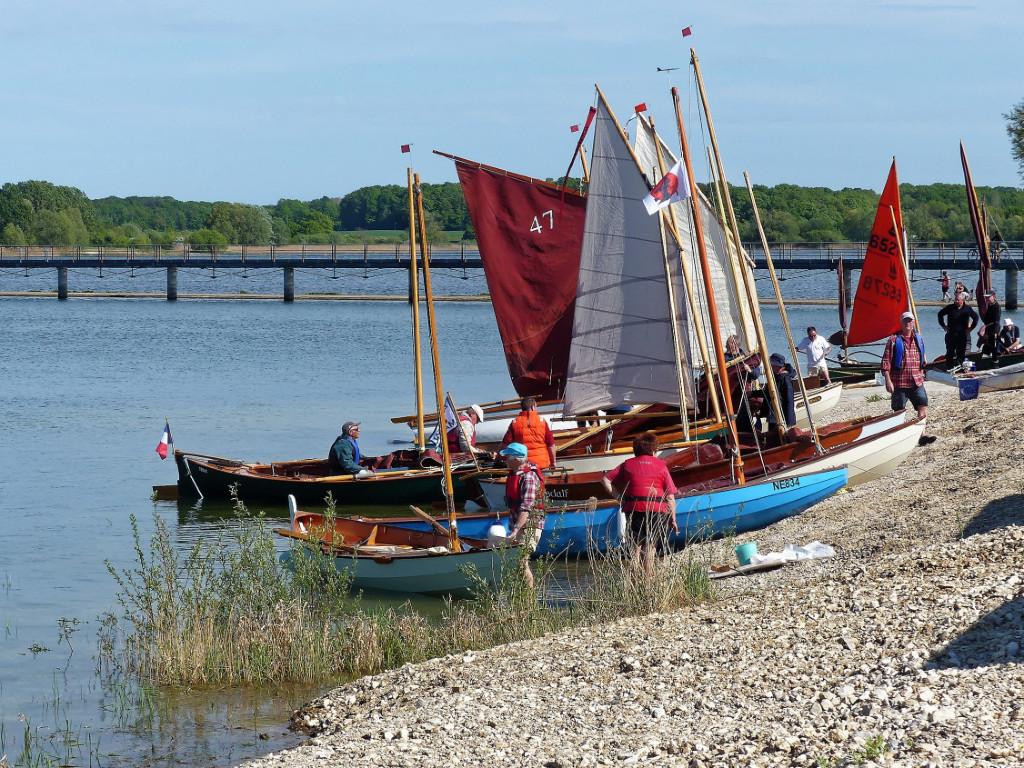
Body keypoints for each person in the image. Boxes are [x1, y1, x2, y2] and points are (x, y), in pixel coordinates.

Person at [601, 431, 678, 578]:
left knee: (635, 551)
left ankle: (634, 587)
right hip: (657, 511)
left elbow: (605, 480)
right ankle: (647, 587)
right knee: (649, 550)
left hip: (634, 509)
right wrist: (673, 518)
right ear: (654, 451)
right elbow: (670, 497)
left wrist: (620, 497)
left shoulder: (627, 464)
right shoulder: (662, 466)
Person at [880, 312, 936, 446]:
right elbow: (885, 362)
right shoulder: (893, 340)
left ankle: (922, 435)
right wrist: (888, 380)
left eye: (910, 321)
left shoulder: (919, 339)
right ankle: (899, 439)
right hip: (899, 382)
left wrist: (922, 373)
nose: (908, 324)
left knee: (923, 405)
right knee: (898, 411)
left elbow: (921, 359)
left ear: (914, 323)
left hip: (916, 381)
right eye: (905, 321)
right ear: (901, 323)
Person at [498, 442, 545, 589]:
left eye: (507, 457)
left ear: (516, 459)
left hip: (529, 526)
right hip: (518, 527)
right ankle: (521, 597)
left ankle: (529, 600)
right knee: (516, 562)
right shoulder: (515, 474)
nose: (504, 460)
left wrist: (515, 530)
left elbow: (526, 507)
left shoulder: (529, 477)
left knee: (520, 560)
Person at [501, 396, 556, 469]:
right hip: (542, 464)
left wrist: (499, 458)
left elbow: (505, 443)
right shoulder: (542, 422)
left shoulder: (515, 423)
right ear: (533, 407)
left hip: (523, 465)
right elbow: (551, 444)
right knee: (544, 480)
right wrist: (553, 462)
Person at [937, 291, 979, 371]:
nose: (956, 301)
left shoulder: (967, 309)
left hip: (962, 335)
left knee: (961, 354)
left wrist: (971, 329)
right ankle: (950, 368)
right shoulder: (950, 308)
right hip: (951, 334)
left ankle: (960, 369)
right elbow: (940, 314)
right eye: (955, 300)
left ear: (962, 300)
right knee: (950, 353)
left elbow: (976, 318)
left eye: (958, 300)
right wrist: (943, 326)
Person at [978, 290, 1001, 359]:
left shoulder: (996, 306)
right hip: (989, 328)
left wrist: (995, 332)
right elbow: (987, 320)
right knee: (987, 345)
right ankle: (986, 357)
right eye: (986, 297)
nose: (987, 299)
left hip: (994, 329)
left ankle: (995, 360)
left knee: (994, 345)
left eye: (988, 297)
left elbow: (996, 320)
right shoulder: (989, 305)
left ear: (994, 297)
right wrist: (986, 331)